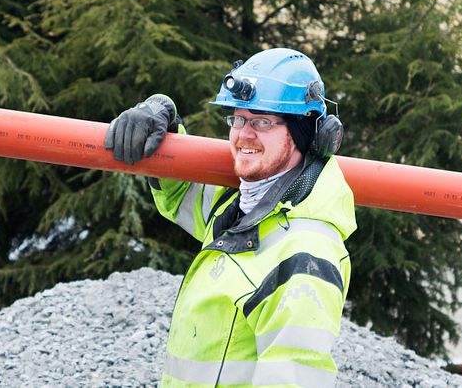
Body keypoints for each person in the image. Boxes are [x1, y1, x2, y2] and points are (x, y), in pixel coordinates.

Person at [104, 48, 356, 387]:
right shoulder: (242, 208)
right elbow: (180, 195)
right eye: (238, 119)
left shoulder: (305, 253)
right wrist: (163, 118)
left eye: (263, 122)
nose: (243, 135)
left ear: (306, 132)